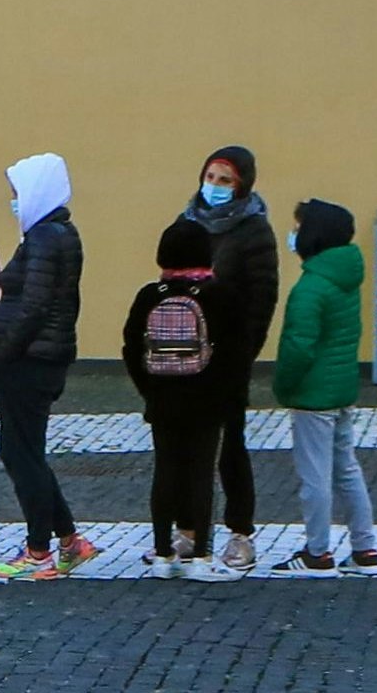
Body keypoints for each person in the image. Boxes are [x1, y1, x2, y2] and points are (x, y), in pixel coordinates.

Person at [125, 215, 258, 579]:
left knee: (165, 471)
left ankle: (164, 553)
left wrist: (149, 389)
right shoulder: (222, 295)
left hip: (163, 399)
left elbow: (131, 347)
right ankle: (200, 555)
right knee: (200, 473)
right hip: (207, 402)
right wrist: (225, 396)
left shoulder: (150, 295)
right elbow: (237, 353)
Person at [0, 152, 92, 581]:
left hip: (28, 362)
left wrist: (0, 354)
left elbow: (33, 307)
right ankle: (67, 540)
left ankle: (39, 551)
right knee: (28, 453)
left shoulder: (45, 238)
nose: (13, 202)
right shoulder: (58, 234)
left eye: (16, 194)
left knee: (19, 454)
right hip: (39, 358)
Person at [180, 145, 276, 576]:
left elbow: (262, 300)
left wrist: (242, 354)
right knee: (185, 446)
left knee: (230, 446)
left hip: (229, 355)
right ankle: (190, 530)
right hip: (186, 353)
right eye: (211, 177)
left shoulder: (254, 231)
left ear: (243, 186)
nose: (215, 187)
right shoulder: (187, 221)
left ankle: (240, 533)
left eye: (226, 181)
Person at [273, 198, 377, 573]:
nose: (294, 234)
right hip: (342, 389)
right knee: (346, 469)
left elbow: (298, 347)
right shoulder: (346, 277)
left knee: (314, 476)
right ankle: (366, 549)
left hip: (313, 395)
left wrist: (284, 386)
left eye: (299, 227)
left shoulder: (311, 287)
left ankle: (317, 551)